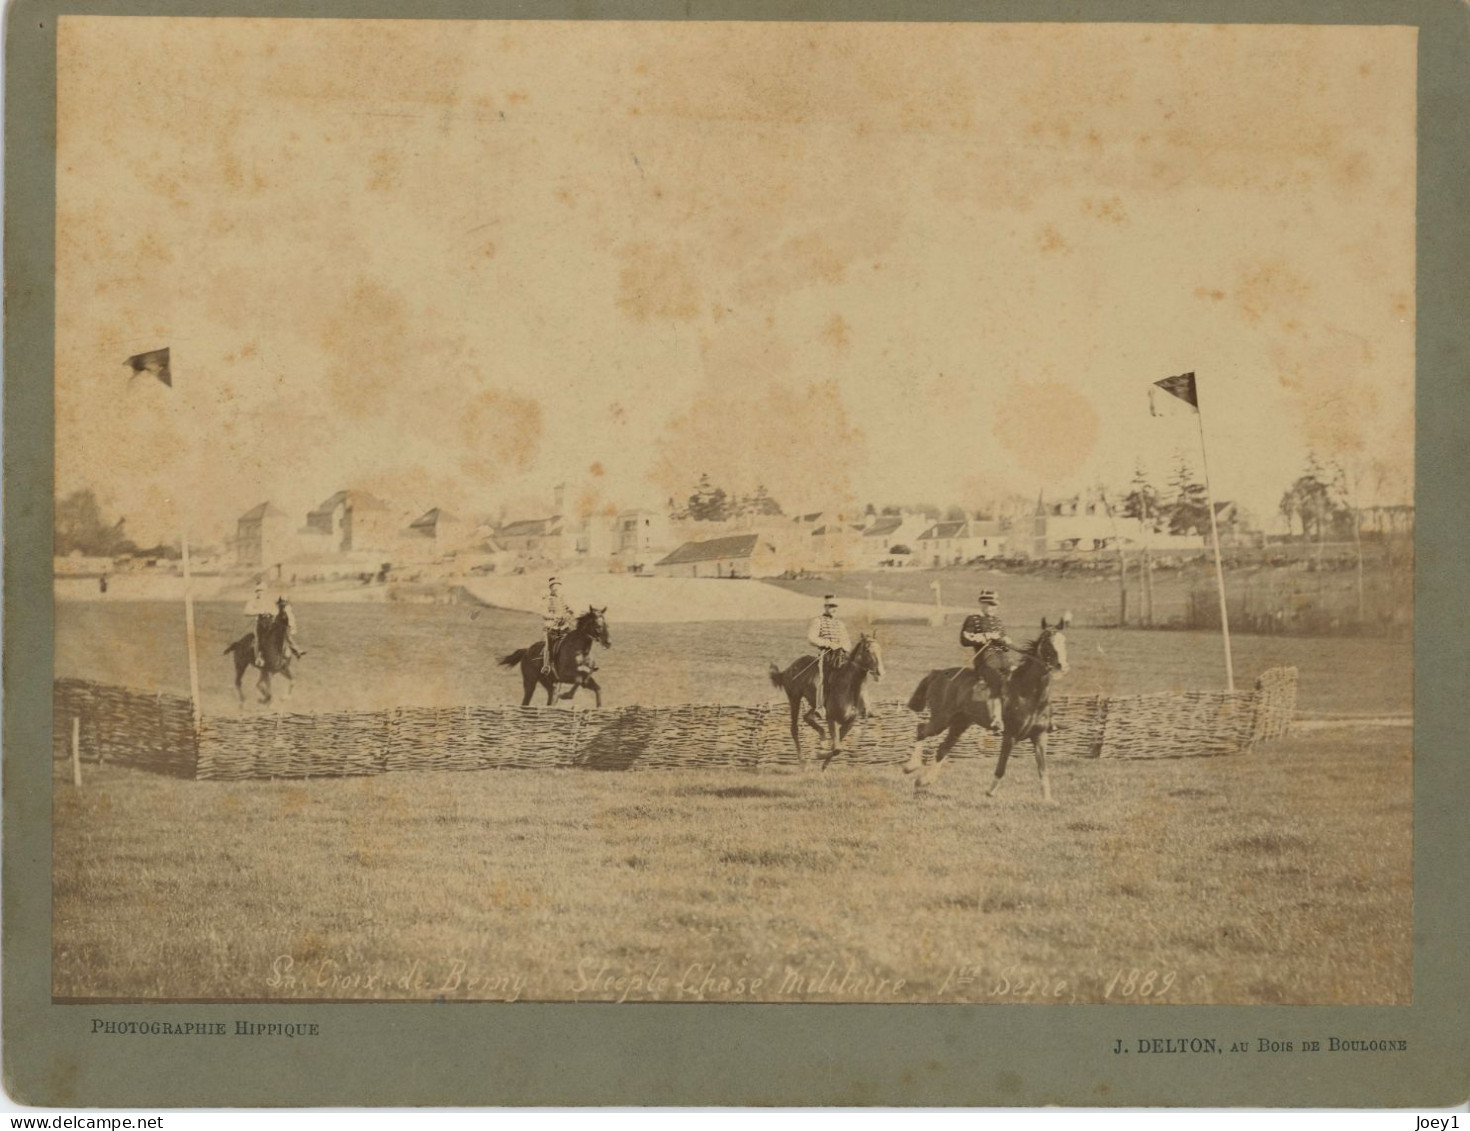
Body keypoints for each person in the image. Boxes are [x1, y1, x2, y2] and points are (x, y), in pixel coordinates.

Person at [960, 589, 1012, 734]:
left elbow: (1004, 647)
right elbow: (964, 639)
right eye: (989, 604)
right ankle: (996, 720)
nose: (992, 607)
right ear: (981, 604)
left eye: (994, 605)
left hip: (1003, 660)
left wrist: (1003, 641)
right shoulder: (973, 619)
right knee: (997, 681)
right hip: (985, 661)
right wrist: (983, 637)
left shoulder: (998, 621)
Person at [806, 595, 851, 723]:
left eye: (835, 606)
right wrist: (829, 644)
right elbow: (811, 638)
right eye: (830, 606)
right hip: (826, 654)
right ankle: (819, 708)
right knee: (822, 679)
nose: (833, 608)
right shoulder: (818, 621)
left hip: (841, 654)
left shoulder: (840, 623)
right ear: (825, 607)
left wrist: (843, 647)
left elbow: (847, 640)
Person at [542, 576, 575, 675]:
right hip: (552, 627)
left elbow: (570, 610)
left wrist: (570, 613)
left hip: (564, 626)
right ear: (550, 588)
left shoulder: (563, 598)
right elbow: (544, 614)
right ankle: (546, 665)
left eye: (558, 587)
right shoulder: (547, 599)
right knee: (548, 645)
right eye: (554, 588)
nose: (557, 590)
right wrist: (554, 617)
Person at [242, 582, 273, 668]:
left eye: (261, 590)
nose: (259, 592)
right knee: (258, 639)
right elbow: (246, 612)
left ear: (266, 591)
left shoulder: (269, 601)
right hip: (259, 623)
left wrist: (270, 612)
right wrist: (258, 611)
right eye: (257, 590)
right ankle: (258, 658)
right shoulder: (252, 601)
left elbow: (276, 611)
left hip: (270, 623)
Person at [277, 595, 306, 660]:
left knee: (288, 638)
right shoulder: (281, 610)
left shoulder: (287, 611)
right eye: (282, 603)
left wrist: (291, 627)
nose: (283, 604)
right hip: (280, 627)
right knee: (287, 639)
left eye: (284, 603)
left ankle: (297, 651)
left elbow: (290, 620)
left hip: (285, 627)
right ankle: (297, 651)